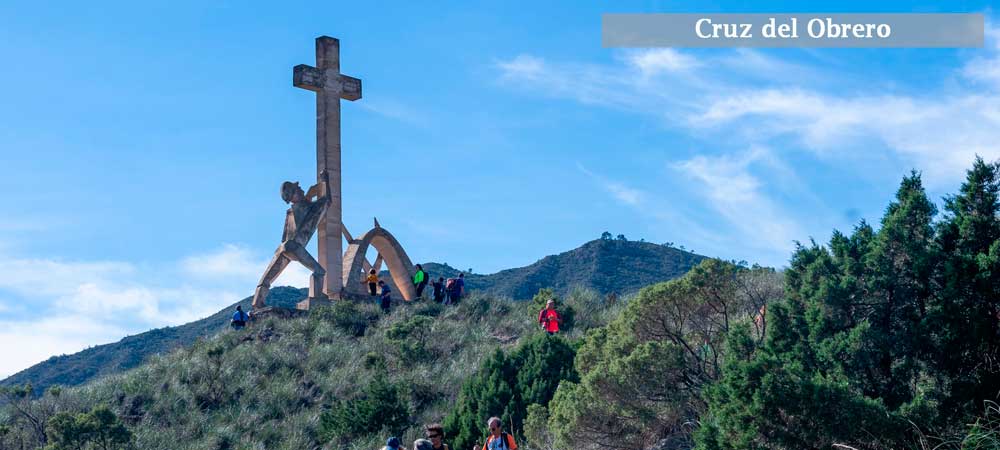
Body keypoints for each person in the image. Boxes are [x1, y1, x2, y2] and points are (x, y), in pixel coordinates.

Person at [252, 170, 332, 308]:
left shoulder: (290, 212)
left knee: (267, 278)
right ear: (293, 195)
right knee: (320, 271)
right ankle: (317, 297)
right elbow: (327, 201)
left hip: (283, 247)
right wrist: (325, 180)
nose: (301, 189)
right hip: (295, 247)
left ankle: (257, 302)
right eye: (298, 189)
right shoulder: (309, 208)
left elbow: (285, 235)